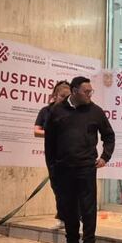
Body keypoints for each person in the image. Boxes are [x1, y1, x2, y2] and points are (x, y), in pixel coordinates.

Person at [44, 76, 115, 243]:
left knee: (88, 209)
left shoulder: (96, 111)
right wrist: (52, 167)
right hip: (63, 169)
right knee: (67, 208)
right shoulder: (56, 111)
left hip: (86, 168)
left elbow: (109, 135)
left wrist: (105, 157)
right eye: (86, 91)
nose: (90, 94)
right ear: (75, 91)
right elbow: (49, 142)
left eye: (91, 91)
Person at [33, 81, 71, 229]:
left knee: (71, 188)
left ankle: (74, 218)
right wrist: (52, 134)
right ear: (55, 96)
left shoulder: (73, 112)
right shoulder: (46, 111)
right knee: (57, 187)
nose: (65, 99)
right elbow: (36, 131)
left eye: (68, 97)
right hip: (53, 156)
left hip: (70, 154)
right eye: (62, 96)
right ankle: (62, 218)